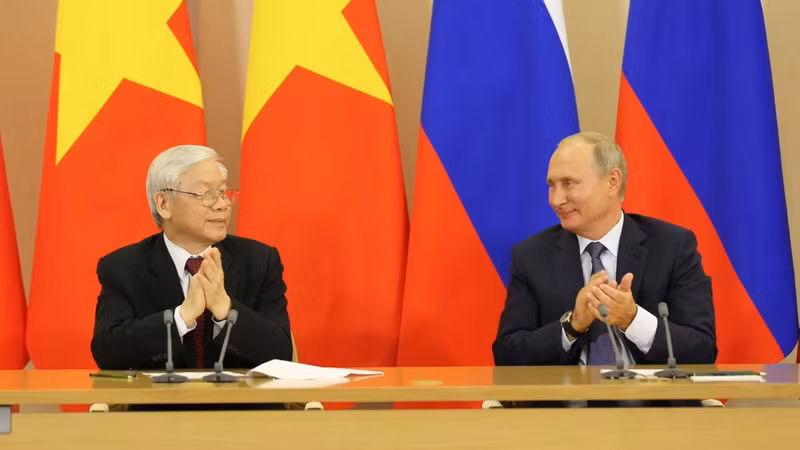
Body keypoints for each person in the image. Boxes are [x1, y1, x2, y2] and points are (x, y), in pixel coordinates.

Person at [493, 132, 716, 373]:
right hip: (565, 408)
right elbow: (507, 356)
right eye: (551, 186)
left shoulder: (672, 246)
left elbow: (702, 351)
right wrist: (572, 325)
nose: (556, 200)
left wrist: (632, 318)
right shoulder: (532, 256)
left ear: (612, 181)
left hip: (652, 407)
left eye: (568, 183)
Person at [91, 145, 293, 373]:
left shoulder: (259, 261)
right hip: (162, 406)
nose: (223, 204)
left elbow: (281, 354)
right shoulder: (123, 267)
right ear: (164, 204)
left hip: (241, 406)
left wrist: (224, 308)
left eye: (224, 193)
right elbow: (109, 355)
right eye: (207, 194)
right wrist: (181, 316)